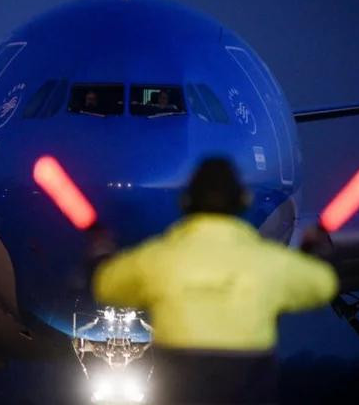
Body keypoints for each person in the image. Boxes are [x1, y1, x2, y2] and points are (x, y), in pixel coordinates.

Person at [90, 158, 338, 404]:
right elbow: (324, 285)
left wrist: (102, 252)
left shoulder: (159, 259)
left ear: (185, 202)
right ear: (243, 201)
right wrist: (312, 250)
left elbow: (105, 284)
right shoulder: (268, 263)